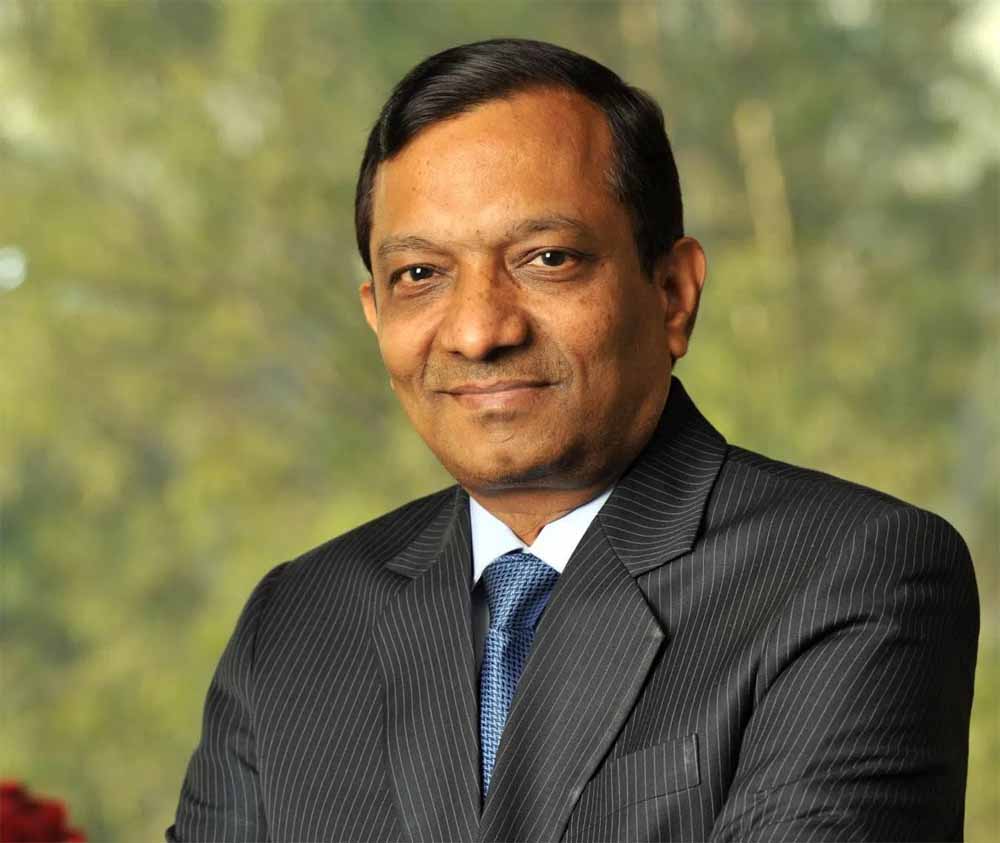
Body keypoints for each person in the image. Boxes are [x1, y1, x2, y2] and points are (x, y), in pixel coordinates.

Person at [167, 38, 979, 843]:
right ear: (376, 315)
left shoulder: (852, 573)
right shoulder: (296, 622)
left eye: (547, 258)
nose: (479, 331)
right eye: (420, 274)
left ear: (672, 294)